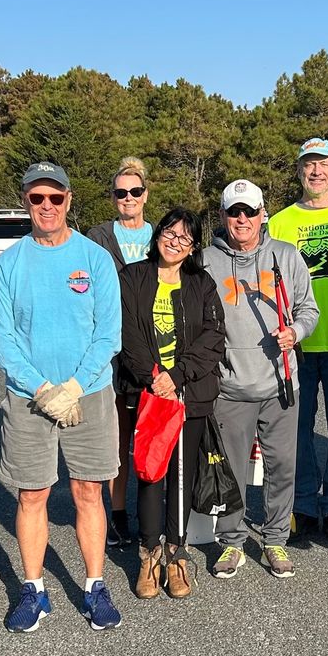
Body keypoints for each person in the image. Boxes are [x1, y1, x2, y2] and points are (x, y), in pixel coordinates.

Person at [0, 161, 123, 632]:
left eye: (55, 198)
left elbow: (108, 335)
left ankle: (95, 586)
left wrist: (74, 386)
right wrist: (45, 390)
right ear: (25, 200)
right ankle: (33, 590)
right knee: (32, 494)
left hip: (89, 393)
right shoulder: (8, 264)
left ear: (69, 200)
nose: (47, 206)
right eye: (37, 198)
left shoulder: (95, 259)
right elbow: (0, 338)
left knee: (89, 491)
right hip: (29, 397)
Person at [202, 179, 319, 580]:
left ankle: (274, 540)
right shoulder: (206, 262)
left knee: (282, 466)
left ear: (262, 214)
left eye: (249, 211)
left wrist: (296, 333)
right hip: (231, 388)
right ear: (222, 217)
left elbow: (308, 310)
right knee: (231, 471)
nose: (242, 219)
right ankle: (232, 541)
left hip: (281, 386)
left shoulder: (285, 257)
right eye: (234, 211)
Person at [118, 208, 226, 599]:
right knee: (151, 472)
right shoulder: (133, 276)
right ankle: (149, 554)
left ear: (193, 246)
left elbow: (213, 337)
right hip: (148, 394)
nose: (175, 242)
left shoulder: (202, 283)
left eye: (185, 238)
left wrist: (177, 375)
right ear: (157, 233)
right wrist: (153, 376)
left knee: (183, 473)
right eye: (169, 232)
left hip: (189, 394)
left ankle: (177, 555)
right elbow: (127, 331)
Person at [268, 138, 328, 547]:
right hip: (297, 346)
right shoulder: (278, 222)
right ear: (299, 172)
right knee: (299, 430)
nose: (316, 172)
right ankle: (305, 505)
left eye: (323, 164)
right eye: (308, 165)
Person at [87, 156, 153, 549]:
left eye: (135, 191)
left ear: (146, 194)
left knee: (151, 435)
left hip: (152, 348)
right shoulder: (98, 237)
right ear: (113, 197)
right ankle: (116, 514)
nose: (128, 198)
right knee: (116, 439)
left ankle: (152, 511)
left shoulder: (160, 234)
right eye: (120, 192)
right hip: (111, 350)